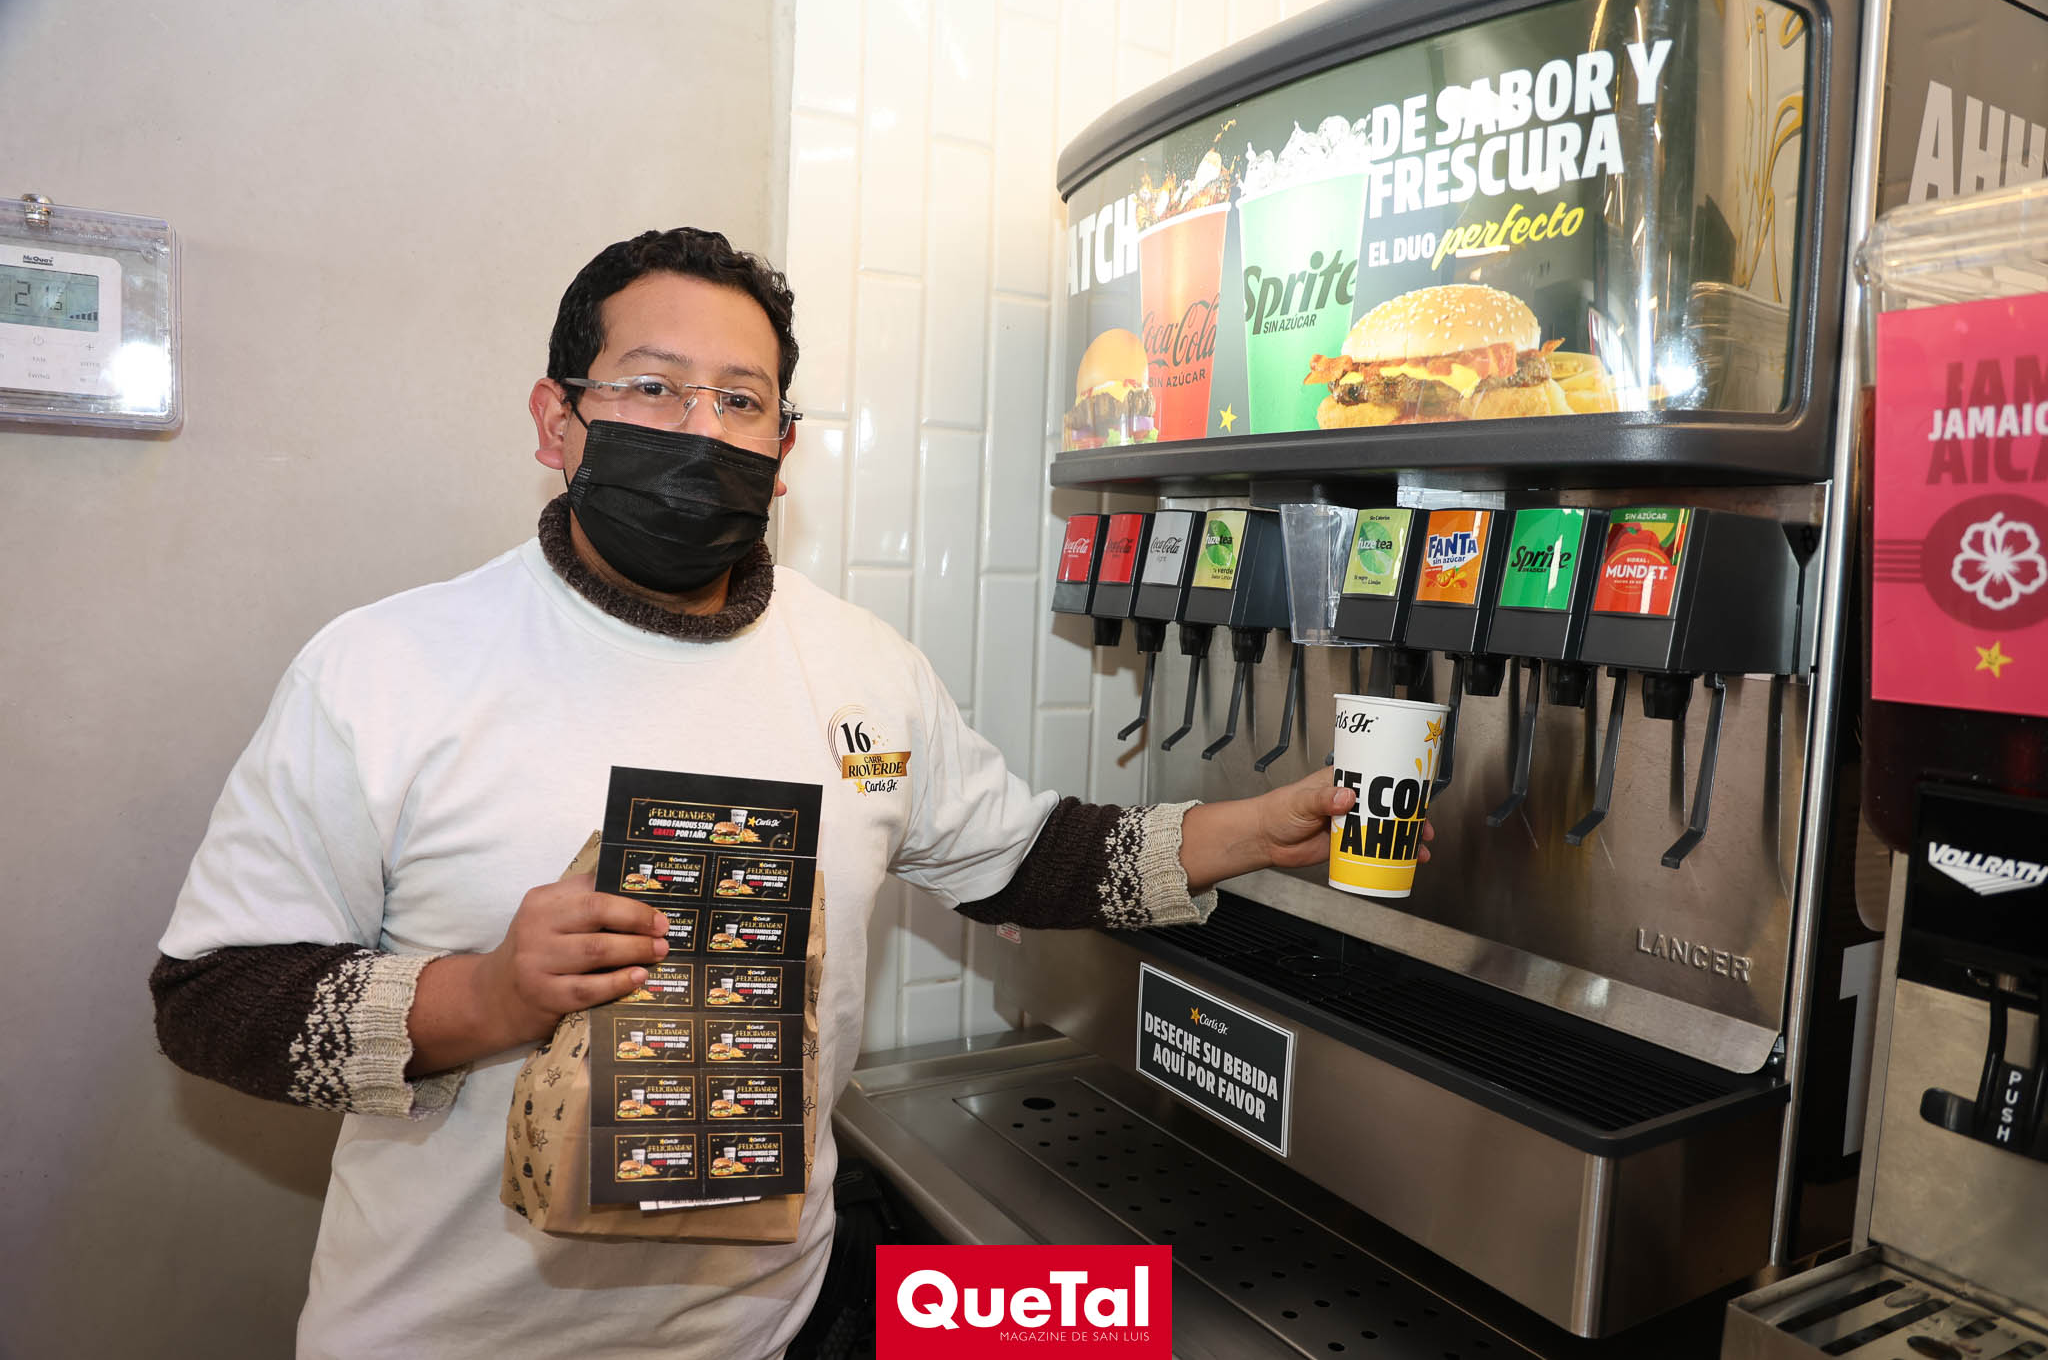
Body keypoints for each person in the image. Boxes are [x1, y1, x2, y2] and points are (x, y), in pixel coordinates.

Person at [152, 228, 1412, 1360]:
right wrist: (487, 996)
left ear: (782, 448)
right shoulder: (384, 668)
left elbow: (1019, 858)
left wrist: (1254, 829)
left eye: (740, 400)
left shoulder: (862, 668)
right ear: (556, 420)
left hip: (768, 1327)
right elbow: (214, 1000)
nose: (698, 429)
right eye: (652, 386)